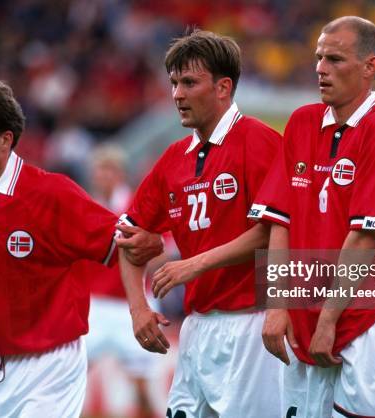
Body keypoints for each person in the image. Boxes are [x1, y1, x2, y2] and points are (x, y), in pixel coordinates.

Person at [0, 79, 162, 418]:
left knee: (142, 388)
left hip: (48, 368)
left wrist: (139, 309)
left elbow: (129, 245)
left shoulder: (53, 193)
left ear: (5, 140)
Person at [251, 16, 375, 418]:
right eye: (318, 58)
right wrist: (277, 305)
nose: (321, 69)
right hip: (302, 323)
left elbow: (365, 238)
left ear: (369, 67)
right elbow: (280, 221)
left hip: (364, 321)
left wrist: (329, 320)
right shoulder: (301, 122)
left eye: (335, 59)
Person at [115, 30, 283, 417]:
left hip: (253, 327)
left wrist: (194, 263)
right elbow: (128, 238)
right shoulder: (174, 158)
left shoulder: (260, 142)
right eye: (174, 83)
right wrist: (139, 309)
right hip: (197, 328)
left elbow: (274, 228)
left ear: (224, 87)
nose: (177, 94)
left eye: (189, 82)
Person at [85, 143, 159, 418]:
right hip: (96, 305)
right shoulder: (88, 208)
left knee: (140, 386)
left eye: (108, 170)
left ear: (120, 174)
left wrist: (141, 262)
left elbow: (164, 247)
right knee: (73, 380)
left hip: (134, 305)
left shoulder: (138, 206)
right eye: (98, 170)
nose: (102, 176)